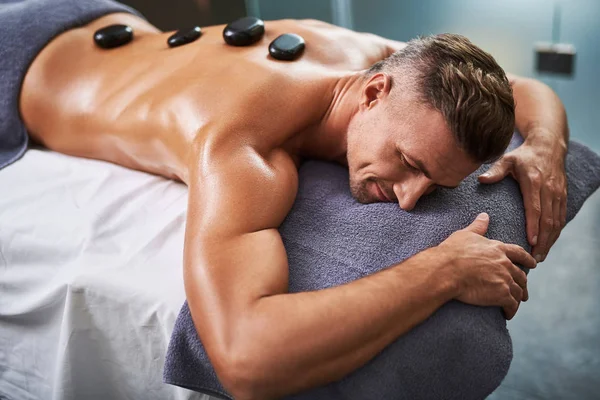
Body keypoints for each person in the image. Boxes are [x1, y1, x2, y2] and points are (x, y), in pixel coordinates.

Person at [12, 7, 569, 399]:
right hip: (15, 65)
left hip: (102, 18)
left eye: (436, 187)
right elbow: (244, 357)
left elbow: (526, 88)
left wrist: (545, 145)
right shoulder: (247, 143)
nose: (408, 199)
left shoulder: (371, 58)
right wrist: (442, 271)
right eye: (410, 163)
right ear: (375, 95)